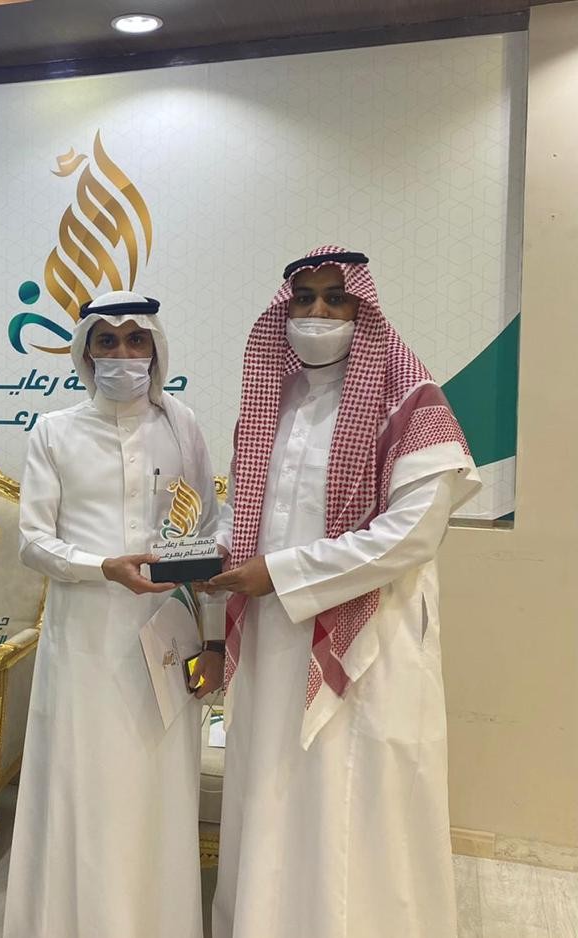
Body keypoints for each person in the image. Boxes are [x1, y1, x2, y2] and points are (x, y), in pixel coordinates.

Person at [208, 247, 481, 938]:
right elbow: (250, 514)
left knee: (352, 805)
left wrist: (281, 573)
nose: (318, 312)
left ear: (364, 311)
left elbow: (411, 536)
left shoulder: (412, 405)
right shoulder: (273, 404)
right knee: (274, 791)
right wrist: (209, 554)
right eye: (304, 299)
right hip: (274, 639)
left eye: (336, 298)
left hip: (368, 643)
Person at [3, 290, 227, 938]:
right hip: (83, 643)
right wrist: (101, 566)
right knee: (87, 790)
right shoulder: (55, 431)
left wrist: (213, 638)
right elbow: (33, 541)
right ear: (85, 351)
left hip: (165, 640)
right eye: (108, 340)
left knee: (155, 793)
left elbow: (211, 529)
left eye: (136, 339)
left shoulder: (181, 425)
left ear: (156, 349)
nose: (123, 353)